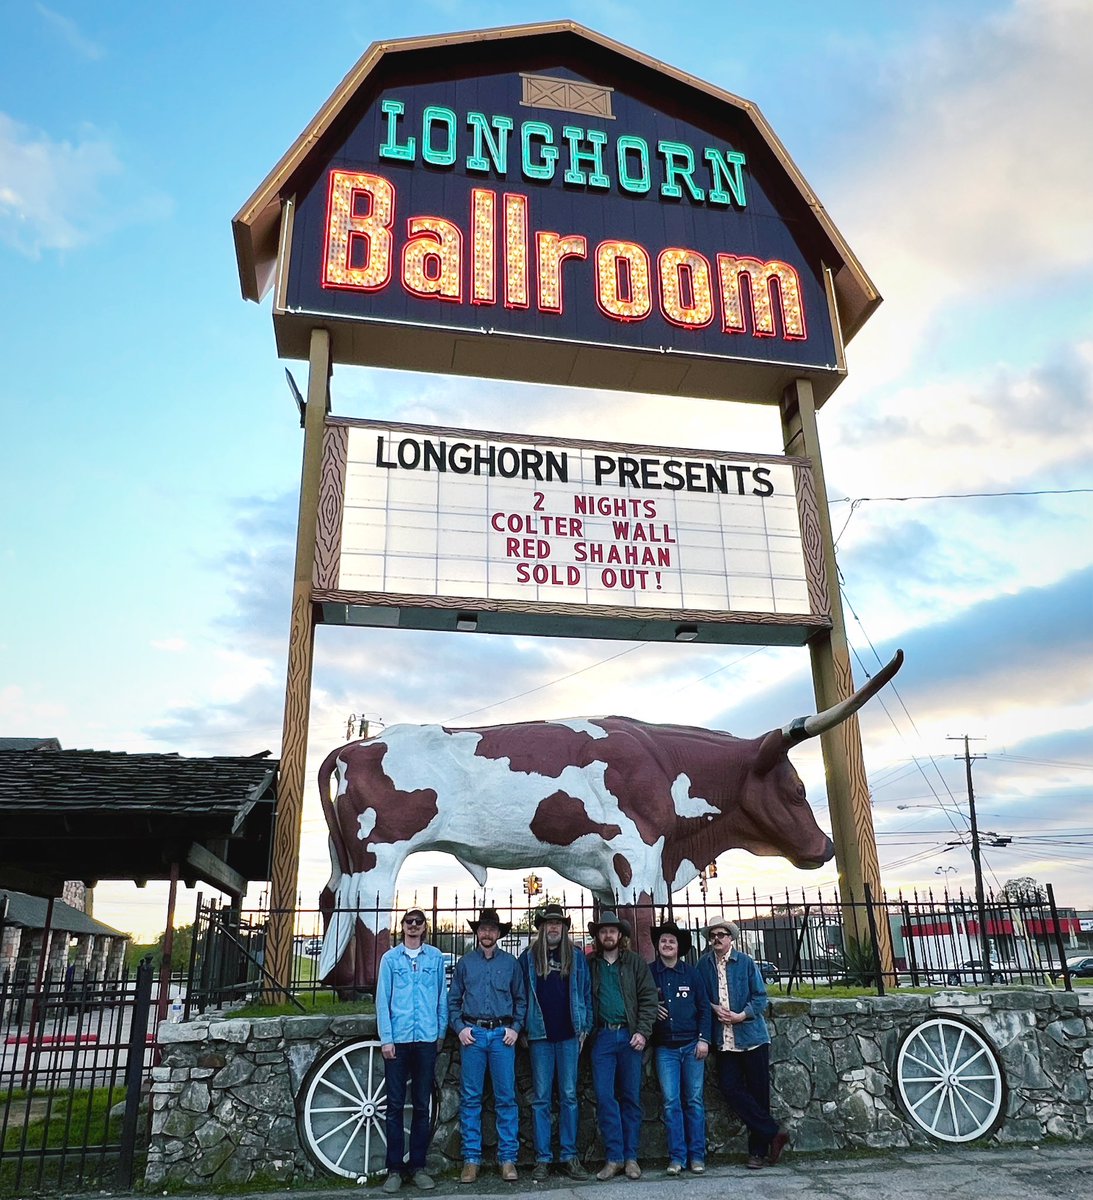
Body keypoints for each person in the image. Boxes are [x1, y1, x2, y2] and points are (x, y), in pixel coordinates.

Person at [696, 916, 789, 1170]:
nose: (716, 939)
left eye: (721, 935)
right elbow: (700, 995)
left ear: (731, 938)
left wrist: (741, 1015)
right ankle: (773, 1132)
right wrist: (714, 1008)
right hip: (724, 1041)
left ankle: (757, 1152)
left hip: (752, 1038)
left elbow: (760, 998)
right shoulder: (703, 965)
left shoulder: (746, 963)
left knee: (759, 1095)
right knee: (730, 1087)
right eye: (713, 935)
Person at [448, 907, 527, 1184]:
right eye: (483, 928)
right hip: (474, 1035)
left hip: (502, 1036)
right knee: (471, 1098)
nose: (487, 933)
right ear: (477, 932)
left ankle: (508, 1159)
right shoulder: (466, 963)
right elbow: (453, 1000)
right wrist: (459, 1028)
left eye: (492, 929)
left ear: (499, 933)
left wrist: (516, 1028)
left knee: (506, 1098)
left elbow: (521, 999)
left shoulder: (511, 963)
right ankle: (471, 1159)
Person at [517, 903, 593, 1182]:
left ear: (564, 927)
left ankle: (570, 1156)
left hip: (569, 1035)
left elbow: (585, 993)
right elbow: (520, 994)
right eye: (548, 923)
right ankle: (542, 1159)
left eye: (558, 923)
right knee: (541, 1098)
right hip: (539, 1036)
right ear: (541, 928)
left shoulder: (575, 956)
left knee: (570, 1096)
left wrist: (586, 1026)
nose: (553, 928)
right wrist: (522, 1027)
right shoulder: (528, 957)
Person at [375, 908, 447, 1193]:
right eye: (409, 922)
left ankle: (418, 1166)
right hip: (399, 1040)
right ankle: (394, 1168)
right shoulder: (390, 959)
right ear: (402, 926)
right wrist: (387, 1039)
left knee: (421, 1105)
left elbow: (442, 995)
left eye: (418, 922)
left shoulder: (436, 958)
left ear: (425, 927)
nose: (414, 926)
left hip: (426, 1038)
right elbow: (383, 999)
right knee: (393, 1106)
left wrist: (441, 1032)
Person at [586, 910, 659, 1181]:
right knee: (605, 1098)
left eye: (612, 931)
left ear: (620, 935)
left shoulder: (634, 964)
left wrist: (643, 1031)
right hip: (602, 1037)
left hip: (630, 1037)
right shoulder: (590, 965)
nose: (608, 935)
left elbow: (649, 999)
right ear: (598, 935)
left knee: (631, 1098)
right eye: (603, 931)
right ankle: (613, 1157)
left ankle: (631, 1158)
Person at [648, 919, 712, 1175]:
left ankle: (697, 1156)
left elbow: (705, 1008)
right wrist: (652, 1008)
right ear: (658, 945)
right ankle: (677, 1158)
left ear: (679, 947)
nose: (666, 944)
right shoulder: (649, 973)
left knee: (694, 1101)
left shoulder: (692, 973)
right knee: (671, 1102)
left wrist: (704, 1039)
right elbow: (639, 1001)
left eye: (671, 941)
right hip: (665, 1049)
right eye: (663, 940)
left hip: (692, 1046)